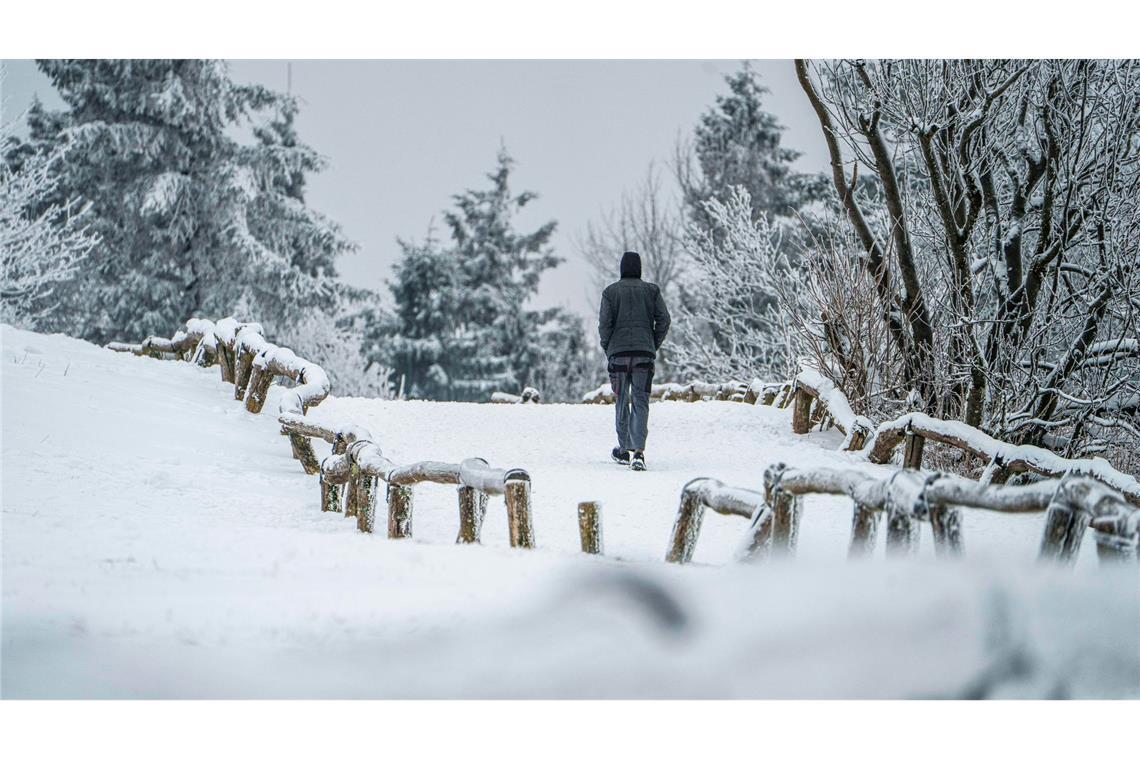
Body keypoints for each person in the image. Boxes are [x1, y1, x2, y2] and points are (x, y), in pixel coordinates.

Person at [597, 250, 671, 471]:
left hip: (618, 356)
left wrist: (609, 348)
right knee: (640, 399)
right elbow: (664, 320)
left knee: (621, 399)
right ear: (639, 268)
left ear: (622, 268)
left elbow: (604, 325)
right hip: (644, 356)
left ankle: (623, 449)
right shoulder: (652, 291)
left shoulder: (610, 292)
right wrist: (652, 344)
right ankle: (638, 452)